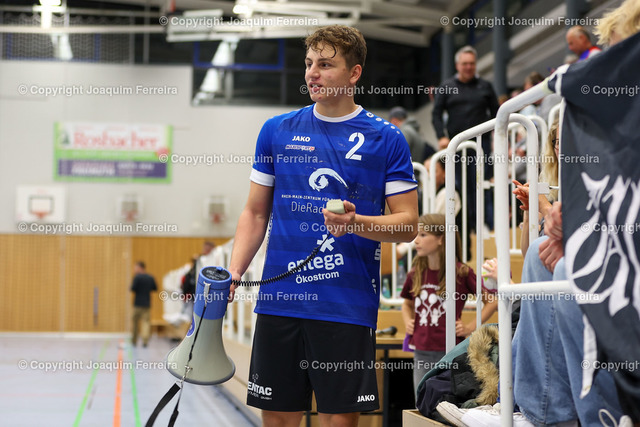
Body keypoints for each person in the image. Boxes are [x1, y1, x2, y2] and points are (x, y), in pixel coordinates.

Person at [228, 25, 418, 427]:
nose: (312, 73)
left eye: (326, 65)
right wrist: (234, 271)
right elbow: (255, 212)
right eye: (309, 63)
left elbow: (407, 225)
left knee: (338, 421)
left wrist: (356, 222)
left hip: (345, 306)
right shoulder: (276, 131)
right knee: (277, 418)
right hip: (280, 301)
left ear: (354, 73)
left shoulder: (386, 138)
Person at [400, 214, 497, 395]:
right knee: (421, 398)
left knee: (446, 400)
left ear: (441, 239)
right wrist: (408, 321)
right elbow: (406, 304)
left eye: (423, 235)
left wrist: (470, 327)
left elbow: (492, 302)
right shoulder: (415, 272)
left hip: (450, 350)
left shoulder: (461, 272)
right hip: (421, 349)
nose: (416, 240)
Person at [431, 45, 499, 232]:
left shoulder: (485, 86)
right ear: (457, 65)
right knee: (461, 187)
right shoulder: (446, 87)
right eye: (465, 64)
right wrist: (441, 136)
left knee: (482, 185)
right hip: (457, 146)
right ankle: (467, 231)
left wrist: (500, 138)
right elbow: (436, 114)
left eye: (472, 64)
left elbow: (497, 113)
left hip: (482, 145)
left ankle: (487, 228)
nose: (469, 67)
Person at [512, 119, 558, 256]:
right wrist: (529, 213)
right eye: (559, 142)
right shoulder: (548, 186)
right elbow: (528, 253)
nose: (564, 148)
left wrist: (544, 206)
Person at [130, 261, 157, 347]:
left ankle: (134, 340)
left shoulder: (137, 278)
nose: (134, 270)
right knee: (146, 322)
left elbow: (132, 288)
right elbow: (155, 288)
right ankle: (145, 340)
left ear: (140, 267)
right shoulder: (150, 277)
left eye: (135, 268)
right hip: (146, 303)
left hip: (137, 304)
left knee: (135, 322)